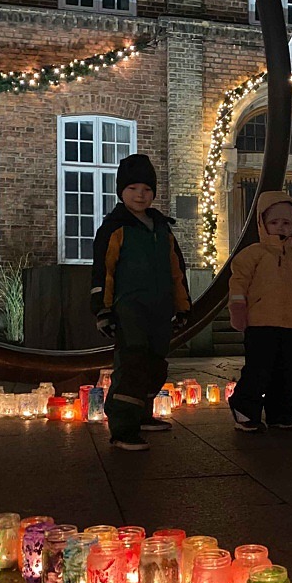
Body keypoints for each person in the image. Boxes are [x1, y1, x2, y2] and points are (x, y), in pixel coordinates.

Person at [90, 154, 191, 451]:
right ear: (121, 191)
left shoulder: (161, 228)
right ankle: (123, 427)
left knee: (156, 364)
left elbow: (176, 270)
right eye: (133, 188)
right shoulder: (115, 228)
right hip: (129, 308)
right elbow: (103, 271)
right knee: (132, 364)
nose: (140, 195)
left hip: (159, 309)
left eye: (146, 189)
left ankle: (143, 415)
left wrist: (183, 306)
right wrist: (103, 310)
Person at [228, 191, 292, 432]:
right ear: (264, 224)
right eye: (274, 222)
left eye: (286, 222)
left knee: (287, 372)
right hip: (261, 322)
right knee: (259, 369)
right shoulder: (253, 254)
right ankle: (244, 408)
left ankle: (281, 413)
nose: (280, 227)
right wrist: (238, 307)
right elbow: (239, 281)